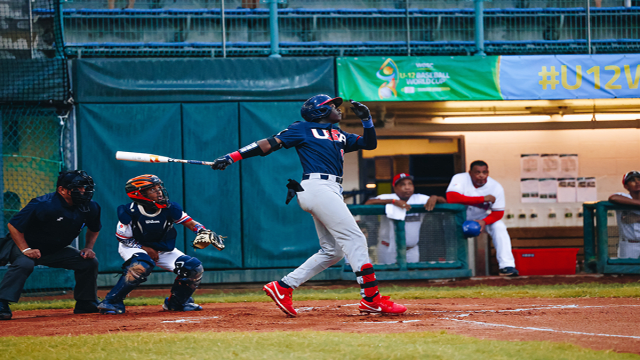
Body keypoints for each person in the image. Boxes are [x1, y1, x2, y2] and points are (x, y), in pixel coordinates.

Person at [210, 94, 406, 316]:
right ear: (318, 111)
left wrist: (367, 120)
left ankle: (283, 287)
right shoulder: (302, 128)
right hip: (317, 187)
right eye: (331, 105)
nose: (337, 108)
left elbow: (369, 144)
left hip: (331, 189)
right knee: (355, 238)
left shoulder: (338, 134)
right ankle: (371, 298)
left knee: (333, 252)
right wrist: (231, 157)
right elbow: (267, 144)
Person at [97, 174, 211, 314]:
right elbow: (123, 238)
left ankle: (177, 303)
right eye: (152, 189)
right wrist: (145, 249)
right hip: (133, 246)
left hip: (162, 248)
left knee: (194, 268)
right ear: (139, 194)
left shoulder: (169, 208)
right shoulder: (130, 211)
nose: (159, 192)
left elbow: (191, 223)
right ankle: (111, 302)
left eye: (159, 188)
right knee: (141, 265)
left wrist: (203, 231)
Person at [0, 170, 102, 320]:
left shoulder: (90, 207)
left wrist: (88, 248)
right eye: (78, 188)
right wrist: (26, 249)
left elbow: (94, 229)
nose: (83, 191)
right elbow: (14, 226)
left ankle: (86, 302)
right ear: (62, 190)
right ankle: (2, 303)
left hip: (55, 250)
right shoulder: (42, 204)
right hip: (27, 247)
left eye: (85, 188)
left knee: (89, 262)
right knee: (25, 264)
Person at [446, 160, 519, 276]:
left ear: (488, 173)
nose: (481, 175)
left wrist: (484, 222)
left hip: (481, 217)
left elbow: (498, 213)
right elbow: (451, 198)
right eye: (477, 172)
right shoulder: (460, 178)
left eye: (484, 172)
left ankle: (507, 266)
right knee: (444, 230)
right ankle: (449, 266)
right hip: (458, 217)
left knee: (499, 226)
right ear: (470, 173)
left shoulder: (495, 187)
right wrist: (481, 199)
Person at [365, 173, 446, 264]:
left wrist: (435, 197)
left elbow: (444, 201)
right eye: (402, 184)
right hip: (388, 249)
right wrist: (393, 202)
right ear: (395, 188)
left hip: (411, 249)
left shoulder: (419, 198)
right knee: (387, 275)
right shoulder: (388, 197)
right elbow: (368, 203)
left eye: (410, 184)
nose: (407, 187)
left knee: (411, 276)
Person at [608, 171, 640, 259]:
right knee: (626, 271)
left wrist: (637, 218)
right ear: (626, 186)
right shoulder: (623, 197)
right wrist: (638, 203)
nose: (637, 182)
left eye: (639, 179)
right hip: (629, 244)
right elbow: (612, 198)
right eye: (632, 180)